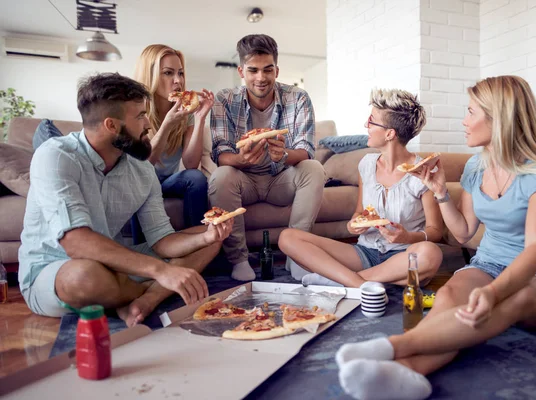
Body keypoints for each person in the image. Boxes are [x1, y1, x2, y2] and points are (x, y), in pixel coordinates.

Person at [334, 75, 536, 400]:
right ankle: (409, 374)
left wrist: (491, 292)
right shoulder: (476, 167)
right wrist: (440, 193)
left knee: (512, 299)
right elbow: (463, 232)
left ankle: (392, 348)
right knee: (449, 297)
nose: (463, 121)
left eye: (471, 112)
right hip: (488, 263)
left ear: (499, 118)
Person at [18, 73, 233, 328]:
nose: (148, 125)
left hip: (114, 265)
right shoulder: (55, 155)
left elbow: (162, 240)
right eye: (140, 116)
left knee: (209, 242)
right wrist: (161, 271)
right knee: (84, 276)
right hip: (54, 269)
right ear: (112, 125)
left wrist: (205, 238)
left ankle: (145, 300)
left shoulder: (141, 170)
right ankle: (145, 292)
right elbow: (75, 243)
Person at [278, 89, 443, 288]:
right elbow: (358, 213)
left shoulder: (420, 172)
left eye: (372, 121)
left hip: (404, 254)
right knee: (288, 238)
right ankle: (365, 282)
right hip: (364, 252)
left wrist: (408, 237)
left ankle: (341, 281)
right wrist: (355, 224)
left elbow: (435, 231)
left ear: (390, 133)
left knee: (430, 253)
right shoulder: (366, 164)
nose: (366, 125)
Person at [209, 34, 325, 281]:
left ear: (277, 70)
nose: (261, 78)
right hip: (244, 181)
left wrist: (283, 154)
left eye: (267, 70)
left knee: (314, 168)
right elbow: (221, 153)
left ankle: (297, 254)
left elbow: (306, 150)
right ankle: (239, 260)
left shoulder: (299, 97)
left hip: (280, 179)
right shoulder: (224, 100)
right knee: (221, 176)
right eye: (253, 70)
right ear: (241, 71)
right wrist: (243, 159)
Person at [131, 44, 213, 242]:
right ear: (149, 75)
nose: (178, 81)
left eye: (180, 73)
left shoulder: (186, 109)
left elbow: (192, 164)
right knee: (140, 182)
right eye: (168, 73)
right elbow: (144, 164)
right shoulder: (134, 108)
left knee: (196, 177)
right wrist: (167, 124)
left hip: (166, 182)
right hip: (140, 180)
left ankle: (198, 244)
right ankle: (145, 252)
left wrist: (200, 118)